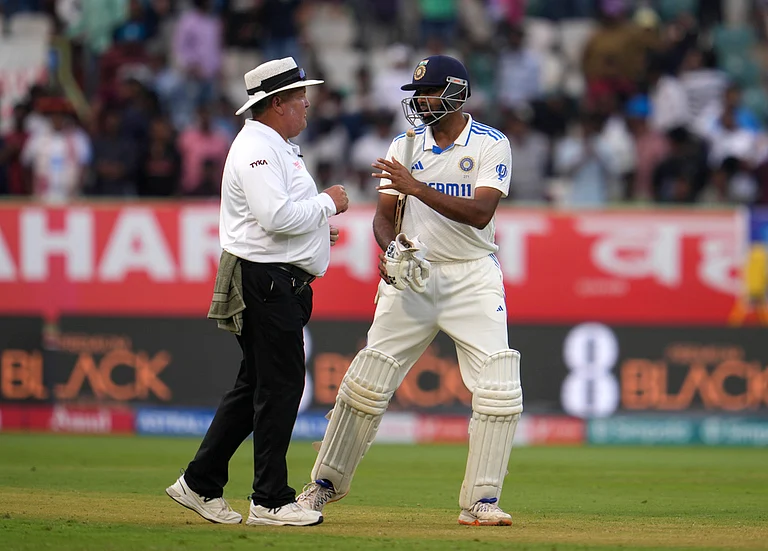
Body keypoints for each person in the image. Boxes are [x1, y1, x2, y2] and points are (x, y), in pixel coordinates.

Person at [296, 55, 522, 526]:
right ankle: (322, 485)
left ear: (457, 93)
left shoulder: (490, 144)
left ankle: (481, 500)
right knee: (366, 381)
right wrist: (392, 248)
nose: (420, 100)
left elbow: (481, 213)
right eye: (417, 92)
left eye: (431, 92)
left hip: (472, 275)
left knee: (498, 388)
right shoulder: (405, 143)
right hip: (415, 274)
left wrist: (416, 188)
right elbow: (383, 217)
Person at [165, 57, 349, 527]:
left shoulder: (273, 145)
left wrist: (315, 232)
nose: (307, 102)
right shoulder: (258, 149)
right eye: (299, 95)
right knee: (281, 387)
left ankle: (200, 482)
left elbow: (280, 216)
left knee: (256, 387)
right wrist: (329, 203)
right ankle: (269, 499)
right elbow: (275, 217)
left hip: (274, 279)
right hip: (267, 281)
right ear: (277, 104)